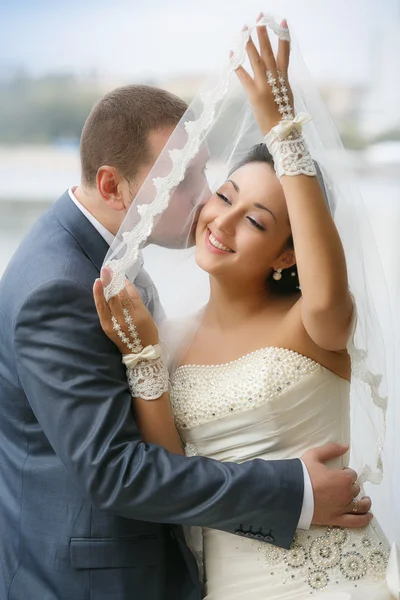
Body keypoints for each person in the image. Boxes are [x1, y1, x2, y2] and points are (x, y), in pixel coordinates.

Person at [0, 42, 370, 600]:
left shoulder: (124, 268)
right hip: (92, 582)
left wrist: (285, 135)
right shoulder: (59, 286)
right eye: (188, 181)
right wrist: (295, 492)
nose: (205, 204)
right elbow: (118, 471)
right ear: (111, 187)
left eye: (206, 174)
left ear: (286, 255)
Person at [94, 17, 396, 599]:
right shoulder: (171, 337)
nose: (222, 222)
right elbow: (170, 473)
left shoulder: (314, 323)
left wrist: (283, 132)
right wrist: (142, 356)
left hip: (333, 583)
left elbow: (328, 286)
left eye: (256, 221)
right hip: (230, 583)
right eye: (225, 197)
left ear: (289, 251)